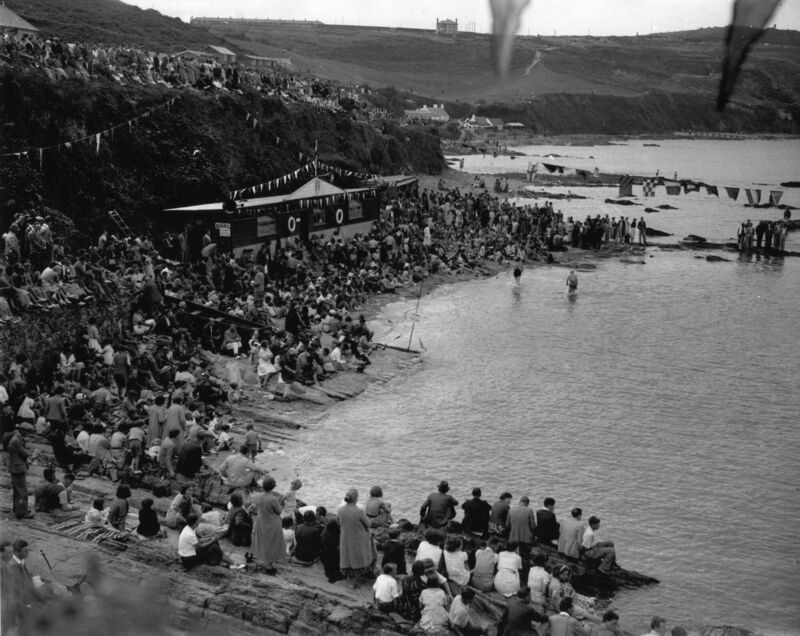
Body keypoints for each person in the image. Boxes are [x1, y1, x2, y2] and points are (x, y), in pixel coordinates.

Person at [338, 488, 376, 587]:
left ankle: (350, 577)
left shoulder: (340, 510)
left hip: (345, 537)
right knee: (371, 544)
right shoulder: (358, 511)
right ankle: (355, 580)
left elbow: (339, 523)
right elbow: (369, 524)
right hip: (358, 538)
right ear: (355, 498)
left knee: (348, 557)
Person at [251, 476, 286, 574]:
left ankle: (261, 559)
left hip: (261, 520)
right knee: (272, 543)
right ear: (273, 487)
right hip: (272, 522)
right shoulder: (273, 499)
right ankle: (269, 566)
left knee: (262, 540)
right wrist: (281, 503)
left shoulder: (257, 496)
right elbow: (279, 511)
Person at [7, 427, 33, 518]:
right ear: (23, 431)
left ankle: (17, 509)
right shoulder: (17, 440)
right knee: (22, 491)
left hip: (15, 466)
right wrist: (31, 454)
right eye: (27, 432)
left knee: (17, 490)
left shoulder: (16, 438)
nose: (28, 434)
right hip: (18, 468)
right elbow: (24, 453)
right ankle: (22, 511)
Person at [320, 517, 342, 583]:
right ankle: (335, 576)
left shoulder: (324, 534)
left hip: (325, 555)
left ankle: (332, 576)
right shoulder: (337, 534)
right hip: (334, 555)